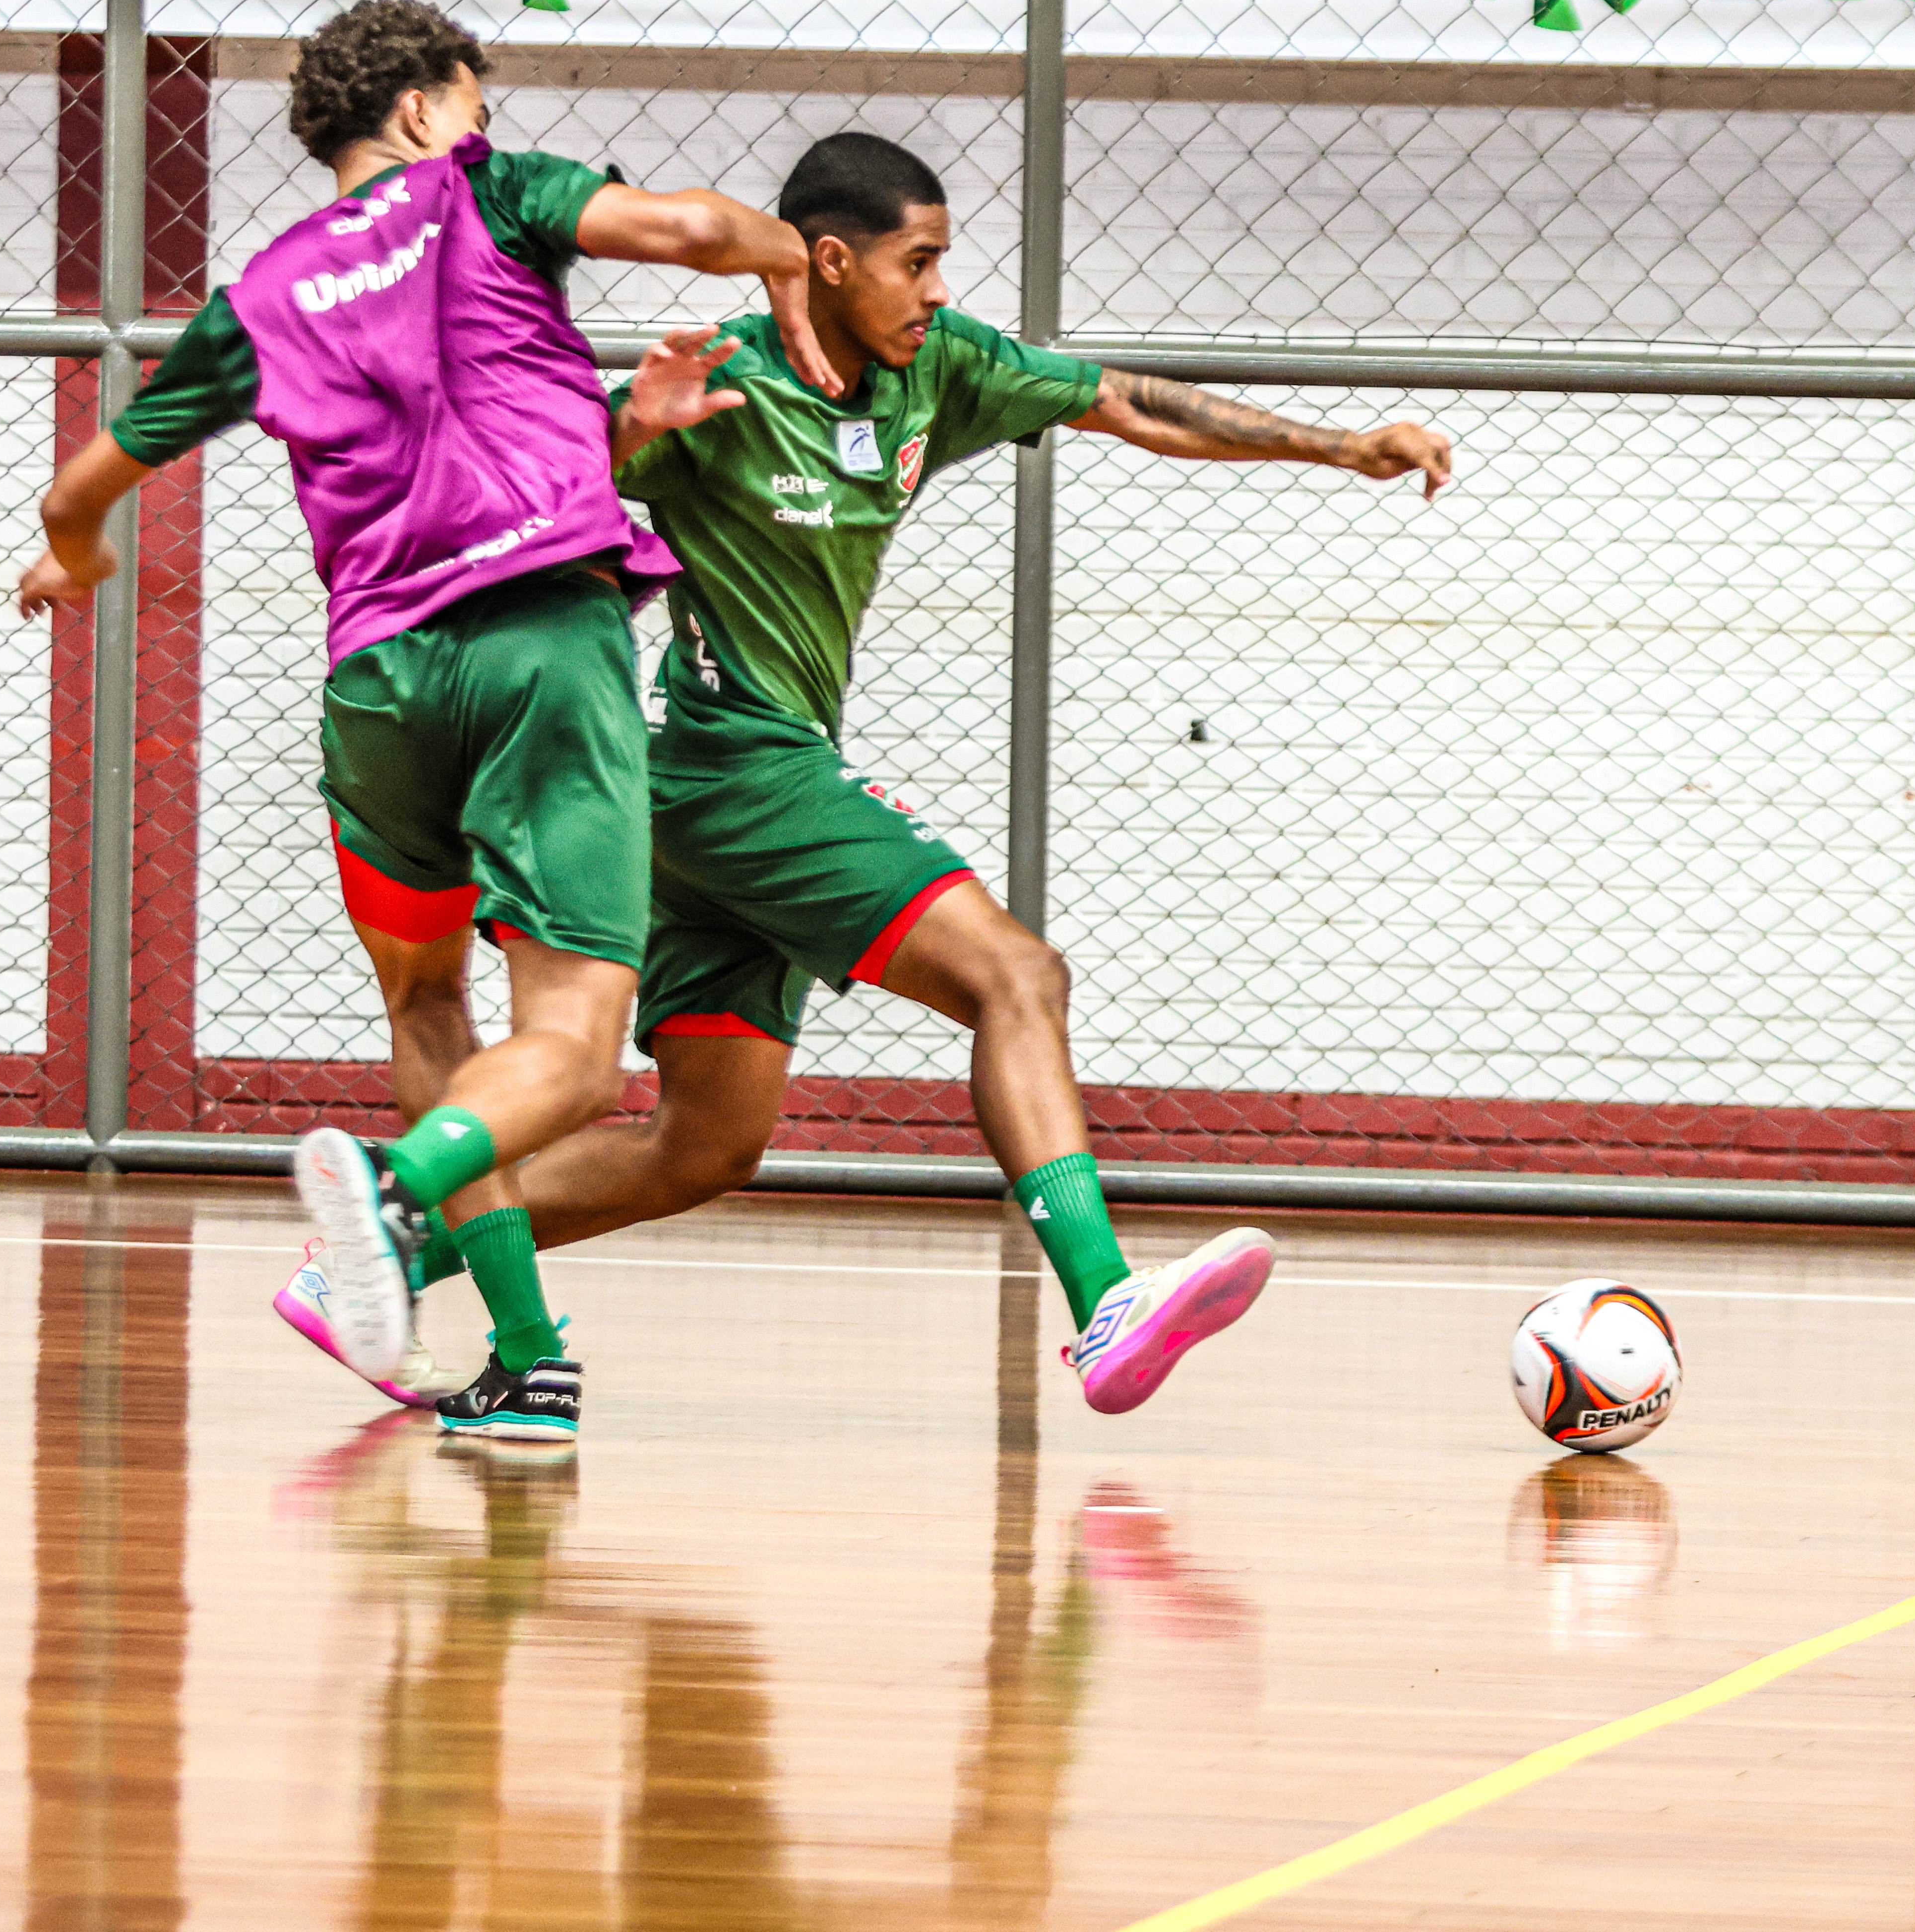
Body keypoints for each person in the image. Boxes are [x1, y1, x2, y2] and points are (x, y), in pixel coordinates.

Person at [506, 130, 1454, 1412]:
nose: (938, 289)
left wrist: (1340, 447)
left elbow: (1121, 401)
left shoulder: (934, 367)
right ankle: (1105, 1303)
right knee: (1017, 976)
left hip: (718, 797)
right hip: (728, 761)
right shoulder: (724, 379)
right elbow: (541, 506)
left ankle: (390, 1242)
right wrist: (626, 429)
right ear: (829, 262)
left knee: (703, 1145)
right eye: (917, 262)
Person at [15, 0, 839, 1445]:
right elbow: (693, 230)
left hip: (382, 681)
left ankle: (526, 1362)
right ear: (420, 111)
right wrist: (785, 260)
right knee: (574, 1045)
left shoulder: (260, 298)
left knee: (428, 1006)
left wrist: (74, 565)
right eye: (473, 102)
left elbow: (78, 491)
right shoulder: (487, 193)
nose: (481, 125)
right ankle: (397, 1203)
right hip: (542, 648)